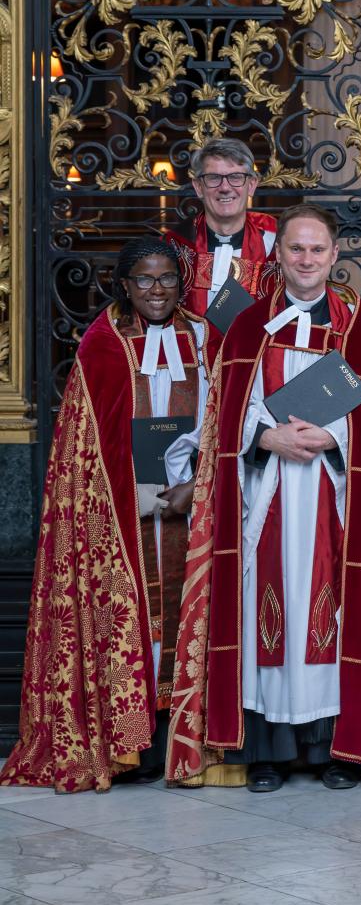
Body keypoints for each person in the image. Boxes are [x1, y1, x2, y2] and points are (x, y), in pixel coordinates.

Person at [166, 203, 361, 791]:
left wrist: (336, 433)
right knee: (269, 616)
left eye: (317, 250)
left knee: (332, 611)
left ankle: (333, 750)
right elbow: (225, 414)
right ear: (279, 254)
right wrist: (265, 435)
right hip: (266, 494)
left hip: (333, 495)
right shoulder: (247, 328)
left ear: (334, 256)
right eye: (296, 249)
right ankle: (268, 752)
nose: (306, 259)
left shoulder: (358, 325)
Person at [1, 238, 207, 792]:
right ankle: (129, 743)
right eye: (144, 280)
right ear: (124, 285)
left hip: (193, 504)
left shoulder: (204, 338)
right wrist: (125, 491)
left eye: (167, 278)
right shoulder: (102, 344)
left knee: (190, 617)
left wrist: (198, 483)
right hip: (125, 507)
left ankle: (183, 740)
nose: (156, 290)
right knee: (135, 616)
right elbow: (84, 448)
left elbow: (224, 420)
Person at [165, 137, 278, 316]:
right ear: (198, 187)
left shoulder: (275, 247)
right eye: (213, 178)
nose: (225, 187)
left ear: (252, 185)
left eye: (235, 177)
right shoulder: (175, 246)